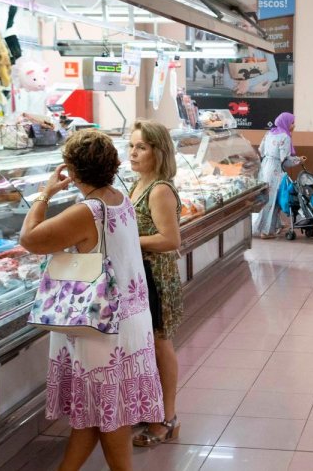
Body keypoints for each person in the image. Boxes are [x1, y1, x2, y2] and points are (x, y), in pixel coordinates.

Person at [19, 130, 163, 471]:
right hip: (129, 320)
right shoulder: (119, 198)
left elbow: (30, 239)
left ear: (71, 169)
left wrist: (44, 194)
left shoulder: (88, 211)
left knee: (109, 417)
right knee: (95, 414)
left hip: (101, 328)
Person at [127, 121, 185, 448]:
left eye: (142, 147)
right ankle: (151, 409)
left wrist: (126, 241)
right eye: (131, 146)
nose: (133, 153)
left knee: (161, 346)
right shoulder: (137, 184)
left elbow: (170, 239)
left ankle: (167, 419)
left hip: (157, 278)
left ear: (158, 152)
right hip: (140, 277)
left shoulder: (160, 189)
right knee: (147, 347)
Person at [253, 113, 305, 238]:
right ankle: (265, 231)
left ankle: (274, 225)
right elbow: (284, 159)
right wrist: (299, 160)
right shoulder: (285, 137)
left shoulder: (269, 133)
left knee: (267, 199)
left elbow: (261, 150)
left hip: (265, 167)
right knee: (272, 200)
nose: (294, 125)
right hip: (275, 170)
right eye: (292, 123)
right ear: (286, 123)